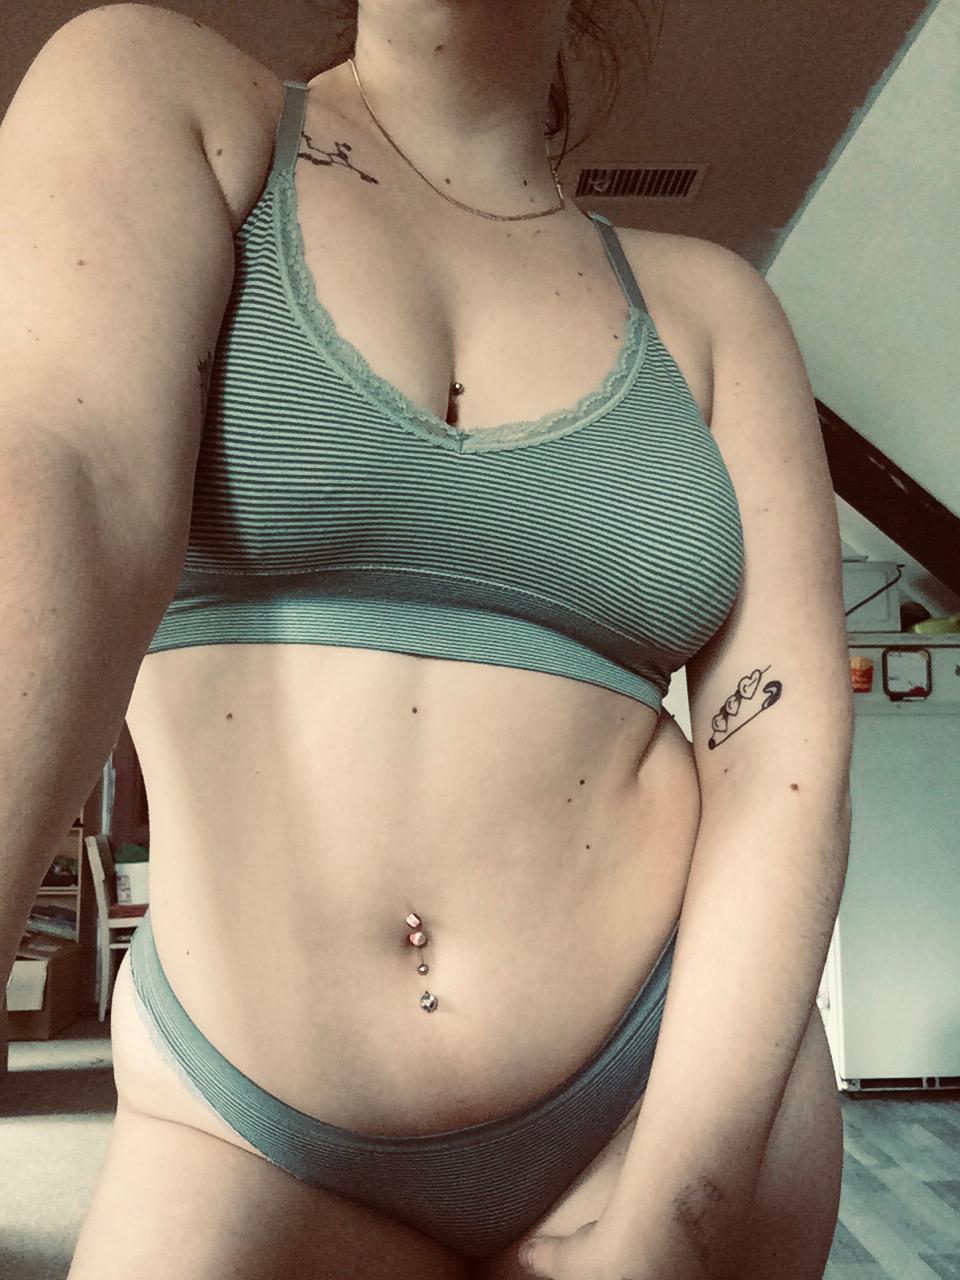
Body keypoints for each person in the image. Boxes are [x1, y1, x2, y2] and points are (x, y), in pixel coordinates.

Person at [1, 2, 853, 1278]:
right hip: (249, 1127)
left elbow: (785, 755)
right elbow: (58, 493)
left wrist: (671, 1229)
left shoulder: (718, 312)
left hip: (661, 1105)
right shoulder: (161, 100)